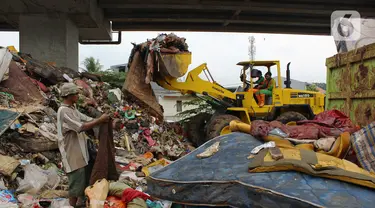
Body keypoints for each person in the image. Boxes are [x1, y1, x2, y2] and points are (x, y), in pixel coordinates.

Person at [56, 83, 109, 207]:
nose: (77, 96)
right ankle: (72, 205)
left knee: (82, 182)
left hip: (79, 150)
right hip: (71, 152)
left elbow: (85, 118)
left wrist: (100, 119)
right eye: (75, 94)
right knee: (75, 185)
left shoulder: (72, 109)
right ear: (68, 95)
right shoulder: (63, 111)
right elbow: (81, 127)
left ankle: (80, 203)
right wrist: (100, 120)